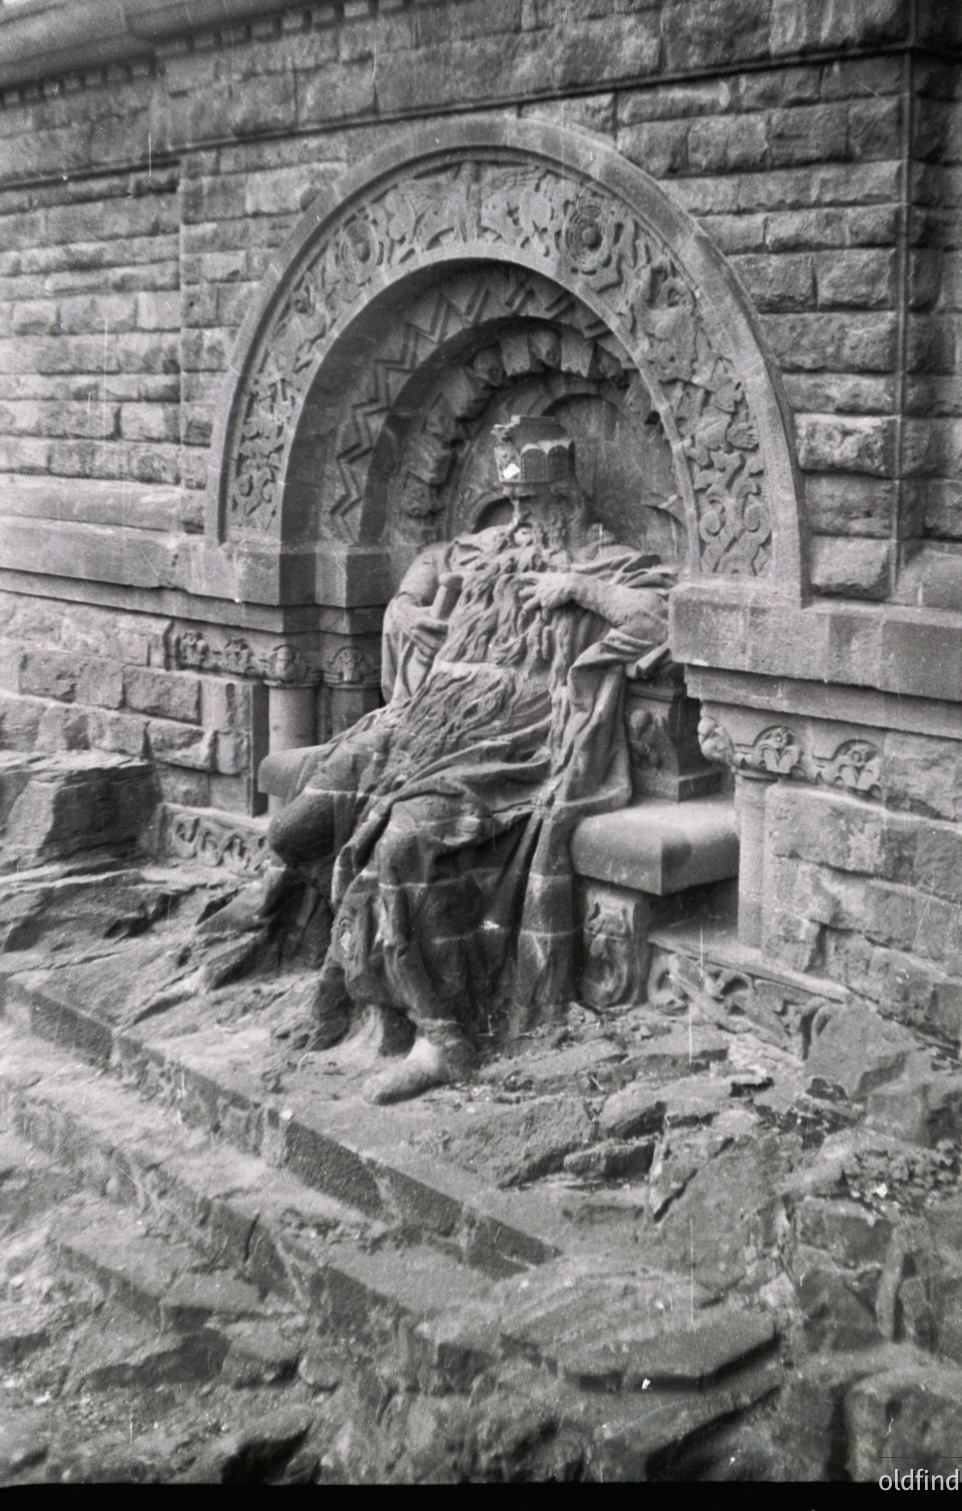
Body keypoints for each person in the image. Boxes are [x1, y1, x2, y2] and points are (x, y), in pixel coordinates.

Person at [208, 416, 674, 1102]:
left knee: (402, 846)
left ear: (568, 501)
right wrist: (404, 605)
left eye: (533, 506)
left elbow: (661, 617)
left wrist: (576, 590)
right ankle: (325, 971)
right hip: (419, 720)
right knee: (294, 828)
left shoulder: (607, 564)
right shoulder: (489, 547)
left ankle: (441, 1036)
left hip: (516, 739)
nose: (518, 520)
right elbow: (432, 557)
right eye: (512, 504)